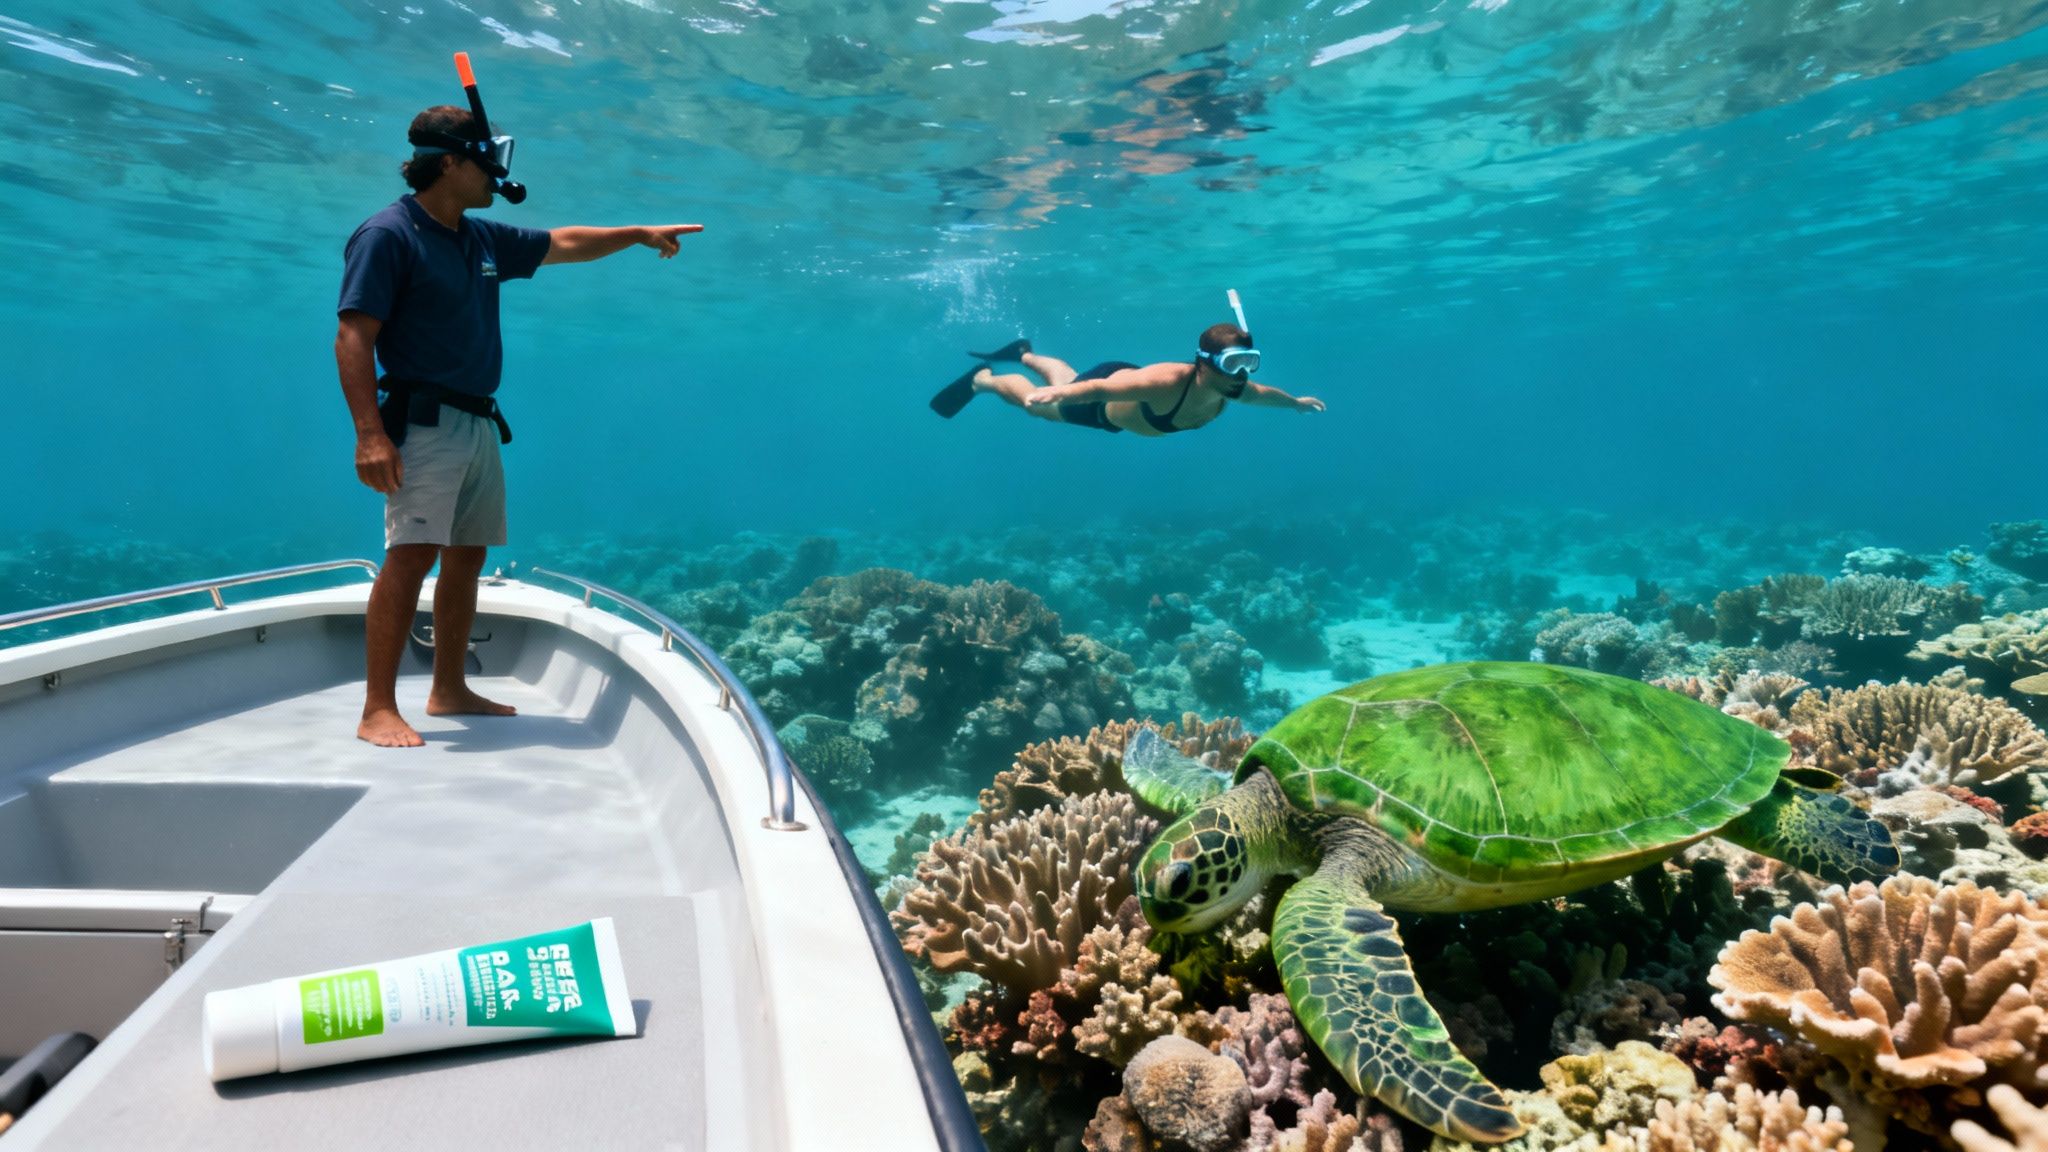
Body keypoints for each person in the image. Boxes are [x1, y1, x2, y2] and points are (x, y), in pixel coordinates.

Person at [335, 83, 700, 748]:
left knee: (466, 557)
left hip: (477, 421)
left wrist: (638, 233)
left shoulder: (477, 237)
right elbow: (354, 335)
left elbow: (562, 243)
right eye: (486, 160)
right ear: (450, 163)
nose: (498, 174)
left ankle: (448, 687)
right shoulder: (388, 235)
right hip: (421, 423)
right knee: (411, 557)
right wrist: (368, 435)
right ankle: (377, 708)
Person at [928, 324, 1325, 434]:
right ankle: (983, 380)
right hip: (1103, 400)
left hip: (1117, 389)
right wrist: (1060, 395)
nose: (1242, 374)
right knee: (1039, 407)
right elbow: (1100, 388)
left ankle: (1024, 353)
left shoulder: (1234, 388)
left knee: (1067, 375)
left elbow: (1265, 395)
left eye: (1249, 363)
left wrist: (1295, 403)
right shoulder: (1169, 381)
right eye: (1234, 363)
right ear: (1203, 363)